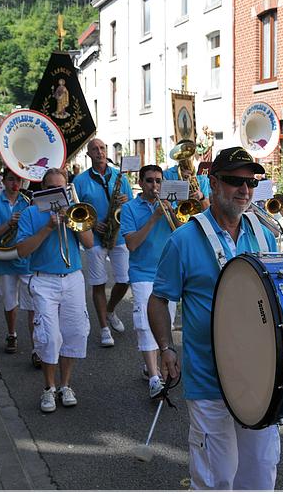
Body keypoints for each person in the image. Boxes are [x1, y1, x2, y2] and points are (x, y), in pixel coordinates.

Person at [148, 146, 279, 490]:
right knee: (215, 477)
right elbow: (159, 299)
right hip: (209, 377)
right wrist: (166, 349)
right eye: (235, 181)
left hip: (259, 377)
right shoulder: (184, 239)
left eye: (251, 182)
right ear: (213, 184)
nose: (245, 190)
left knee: (260, 472)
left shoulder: (263, 235)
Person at [16, 168, 94, 412]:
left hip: (72, 278)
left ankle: (65, 385)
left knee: (74, 332)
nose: (57, 192)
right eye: (51, 188)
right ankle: (48, 389)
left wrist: (75, 223)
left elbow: (90, 243)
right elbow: (22, 251)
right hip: (44, 280)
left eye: (62, 188)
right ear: (43, 189)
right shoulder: (30, 213)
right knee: (49, 336)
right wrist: (48, 228)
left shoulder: (74, 210)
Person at [120, 165, 180, 398]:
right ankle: (155, 378)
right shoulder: (129, 209)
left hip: (166, 272)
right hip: (142, 273)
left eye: (158, 181)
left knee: (165, 325)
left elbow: (182, 232)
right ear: (140, 182)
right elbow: (132, 244)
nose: (154, 186)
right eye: (149, 181)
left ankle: (150, 366)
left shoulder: (170, 204)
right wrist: (154, 218)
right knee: (145, 323)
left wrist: (172, 212)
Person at [73, 138, 133, 347]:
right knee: (98, 284)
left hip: (118, 234)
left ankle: (110, 310)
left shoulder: (120, 176)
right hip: (96, 238)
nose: (99, 152)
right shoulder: (79, 181)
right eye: (94, 149)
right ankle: (104, 328)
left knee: (125, 279)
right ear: (88, 154)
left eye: (102, 148)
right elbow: (77, 212)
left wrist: (126, 201)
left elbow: (132, 204)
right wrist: (92, 223)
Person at [0, 168, 39, 364]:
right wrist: (9, 224)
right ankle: (11, 333)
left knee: (33, 304)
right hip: (4, 260)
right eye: (10, 179)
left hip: (26, 259)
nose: (15, 183)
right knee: (10, 302)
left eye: (18, 179)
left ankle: (37, 347)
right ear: (4, 181)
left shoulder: (29, 202)